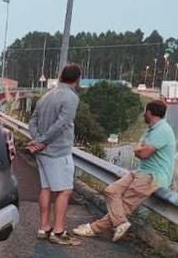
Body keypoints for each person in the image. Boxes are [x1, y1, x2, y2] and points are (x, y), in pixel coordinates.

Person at [74, 99, 176, 241]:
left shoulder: (162, 130)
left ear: (149, 113)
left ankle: (93, 228)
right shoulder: (151, 129)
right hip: (141, 171)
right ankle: (121, 223)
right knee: (111, 191)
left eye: (144, 112)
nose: (143, 115)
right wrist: (139, 149)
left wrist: (139, 149)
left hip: (152, 176)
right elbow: (139, 149)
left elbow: (142, 153)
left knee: (125, 205)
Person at [27, 63, 83, 245]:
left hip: (43, 152)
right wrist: (43, 141)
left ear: (60, 77)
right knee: (65, 190)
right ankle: (58, 231)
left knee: (46, 188)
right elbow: (62, 124)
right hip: (58, 151)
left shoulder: (47, 95)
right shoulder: (71, 97)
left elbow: (33, 120)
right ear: (77, 79)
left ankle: (44, 227)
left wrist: (37, 140)